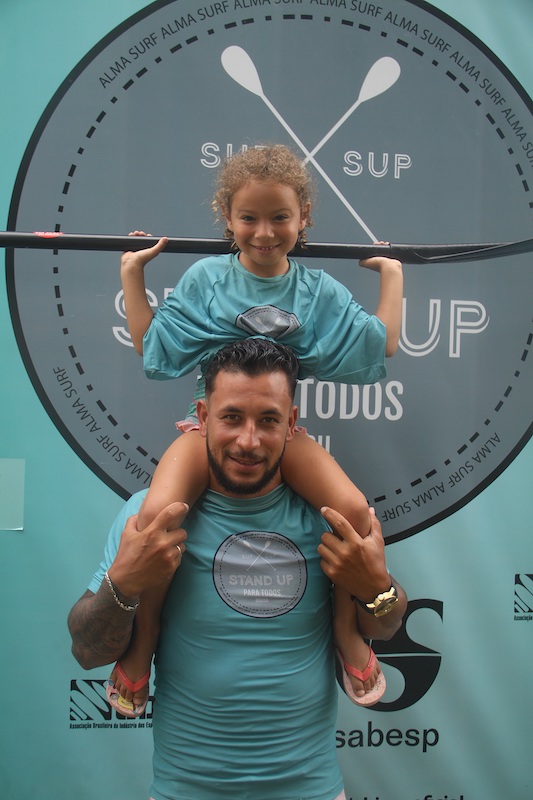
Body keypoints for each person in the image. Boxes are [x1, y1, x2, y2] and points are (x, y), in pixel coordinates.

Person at [112, 144, 403, 716]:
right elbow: (154, 347)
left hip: (277, 434)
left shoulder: (317, 290)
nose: (264, 233)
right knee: (155, 518)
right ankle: (144, 642)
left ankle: (347, 632)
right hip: (207, 432)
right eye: (249, 217)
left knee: (353, 512)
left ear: (303, 218)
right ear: (227, 218)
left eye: (279, 217)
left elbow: (381, 343)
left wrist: (391, 275)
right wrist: (133, 272)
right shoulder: (205, 279)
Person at [68, 338, 407, 800]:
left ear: (291, 424)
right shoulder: (148, 521)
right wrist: (124, 584)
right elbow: (87, 651)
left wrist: (375, 588)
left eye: (268, 420)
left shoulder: (322, 514)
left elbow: (386, 626)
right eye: (231, 418)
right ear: (203, 418)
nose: (248, 441)